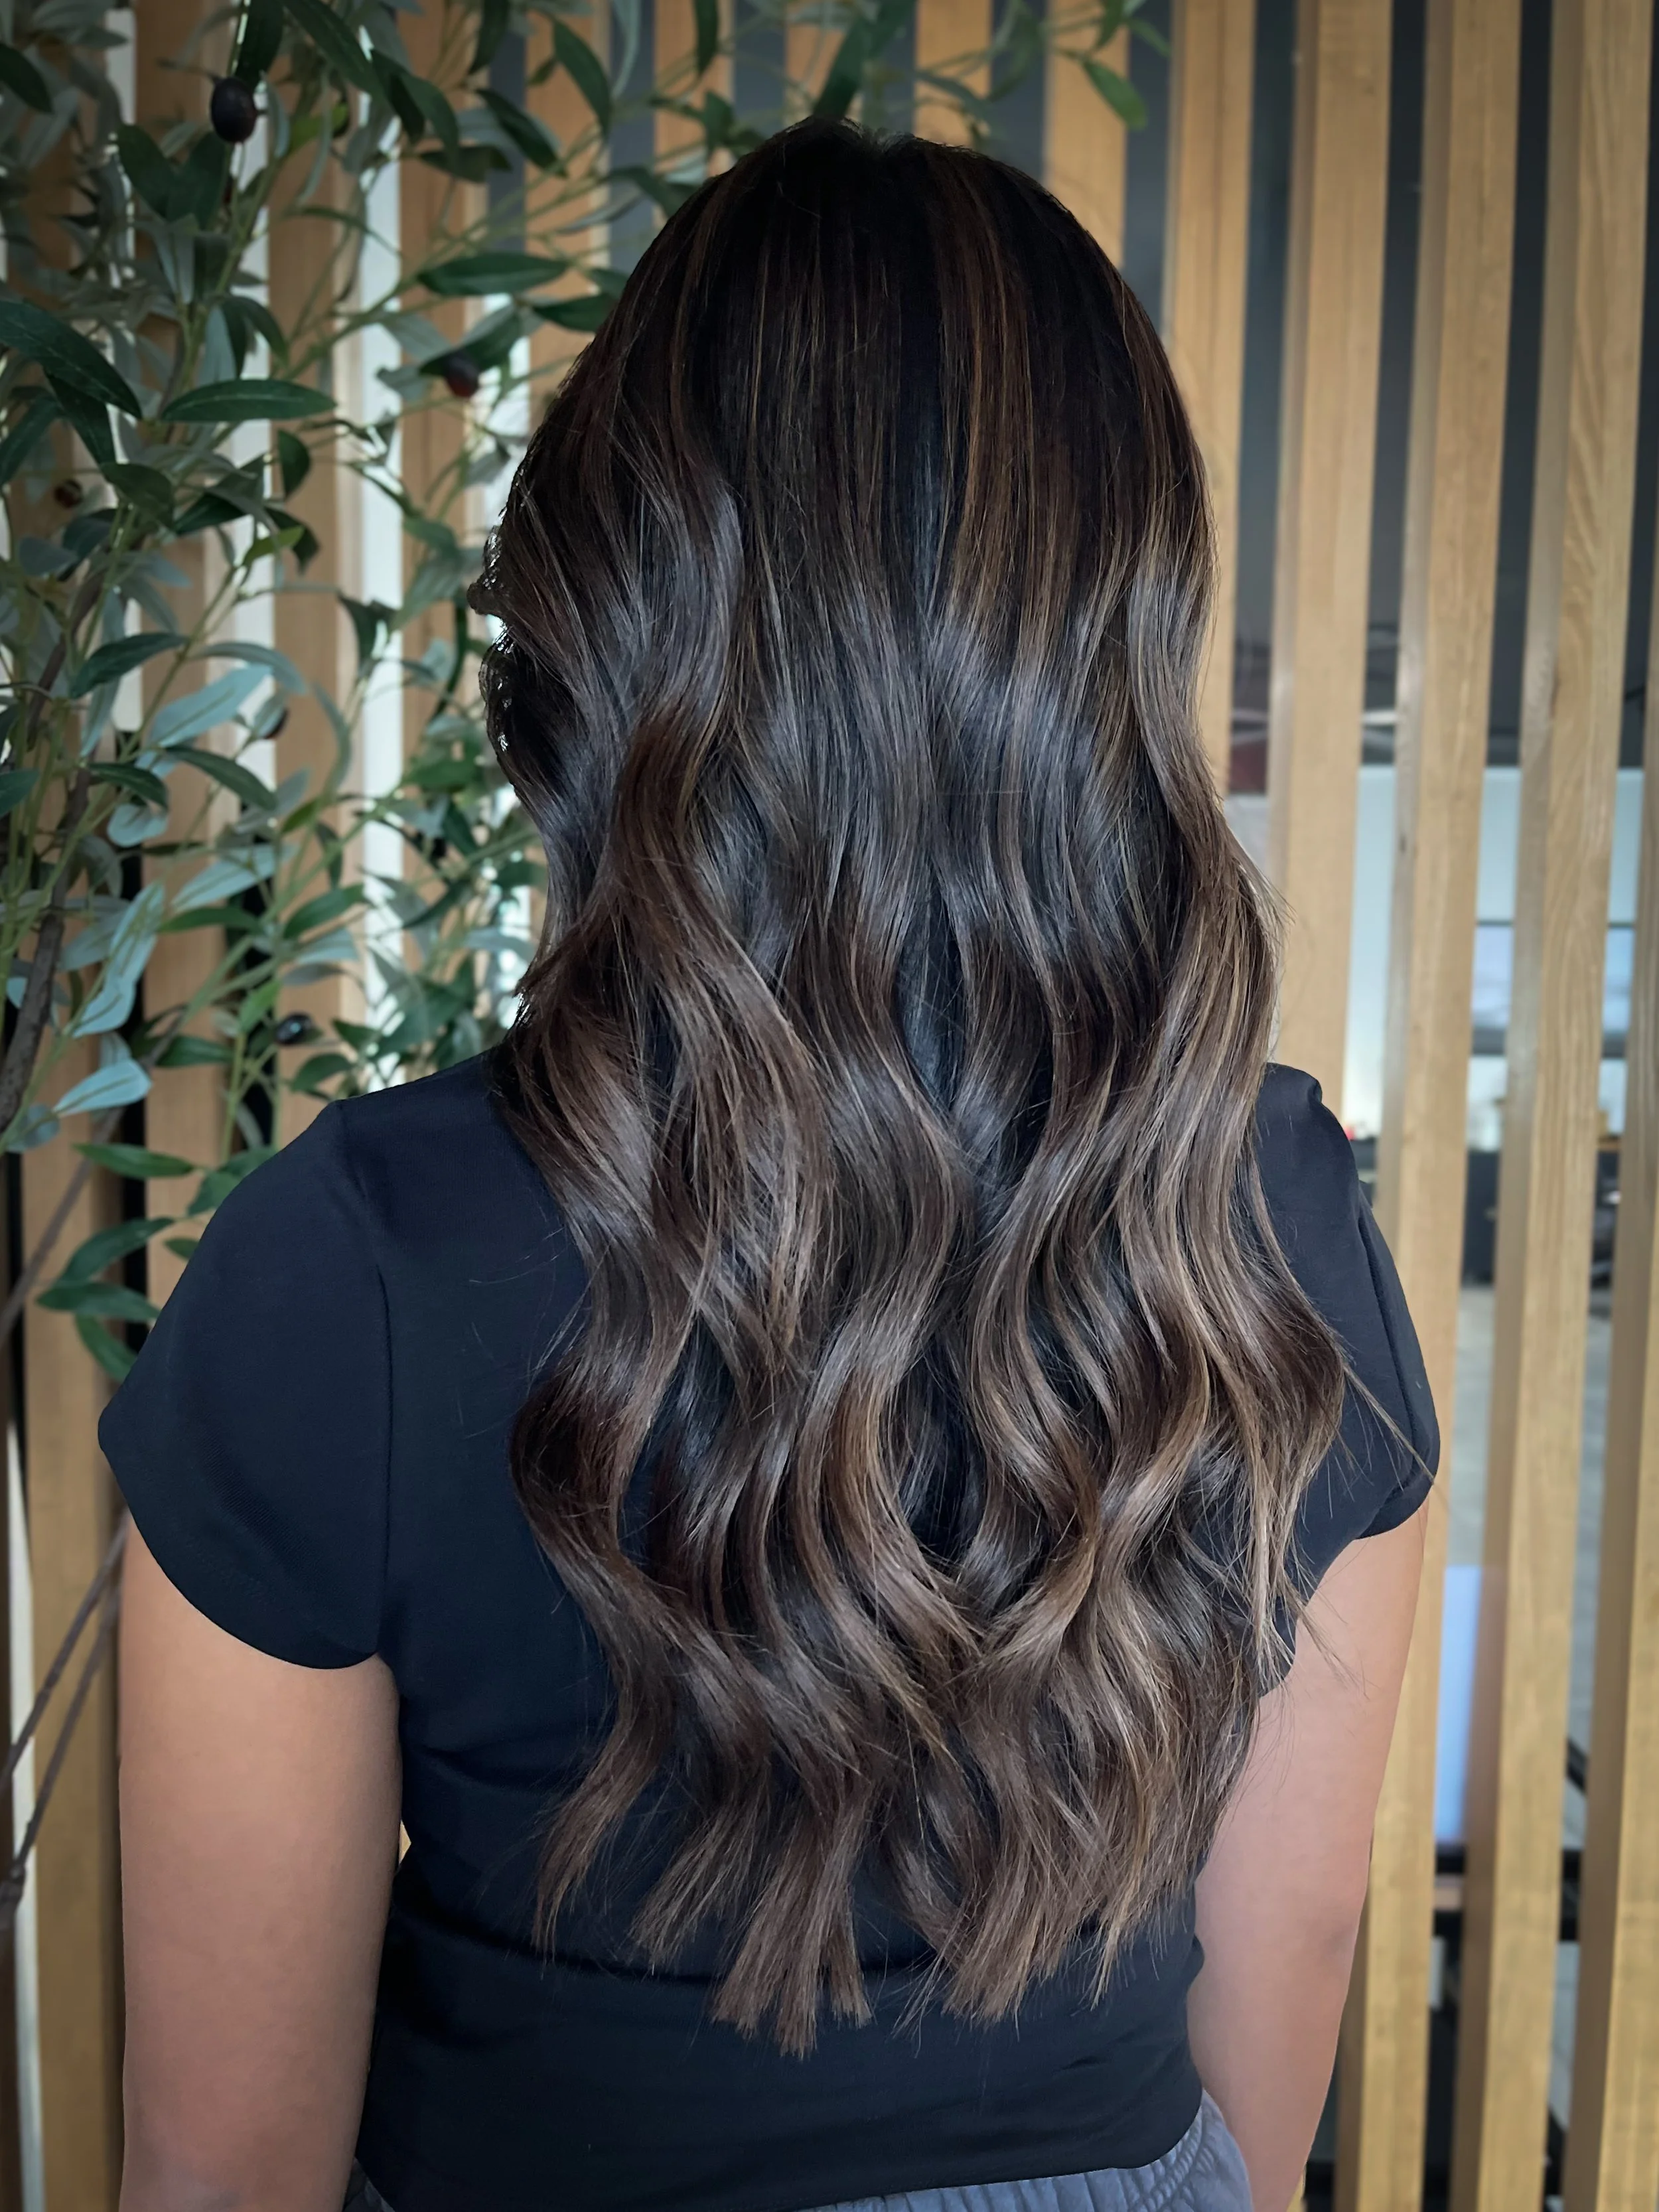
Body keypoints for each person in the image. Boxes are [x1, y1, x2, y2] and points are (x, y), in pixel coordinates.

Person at [109, 121, 1437, 2212]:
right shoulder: (1274, 1216)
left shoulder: (351, 1264)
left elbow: (222, 2155)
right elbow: (1293, 1948)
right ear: (1110, 631)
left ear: (603, 610)